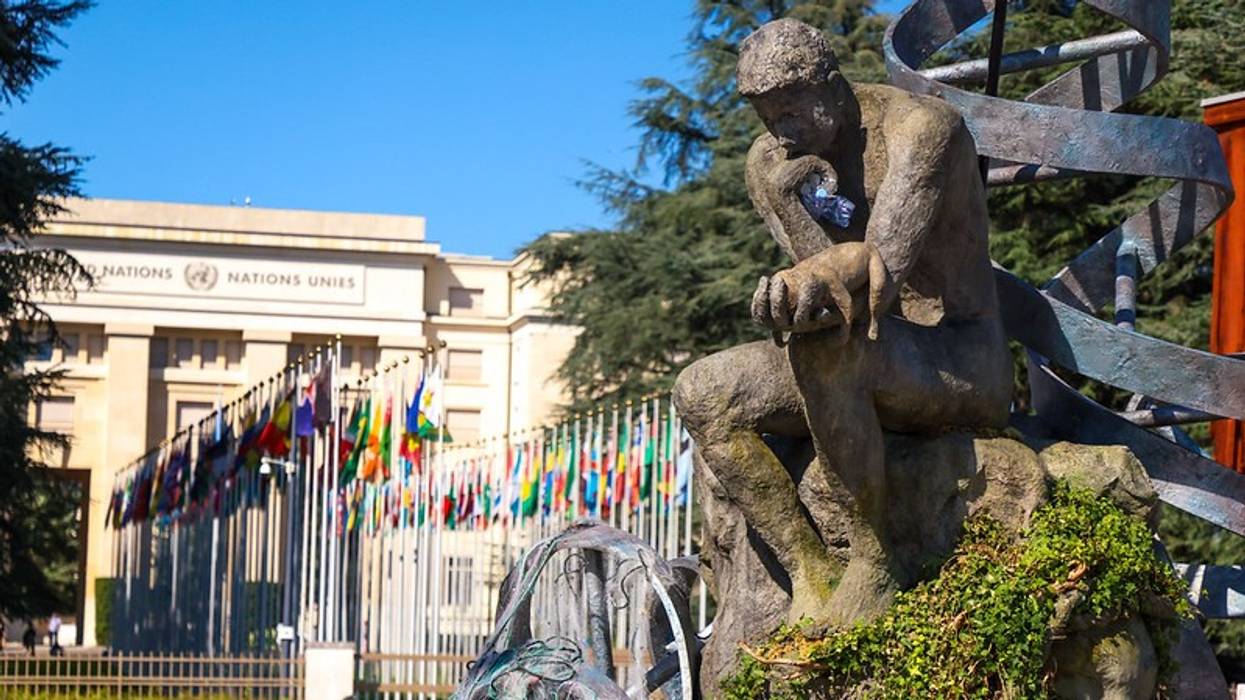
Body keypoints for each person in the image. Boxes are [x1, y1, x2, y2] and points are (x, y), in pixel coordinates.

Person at [673, 18, 1012, 626]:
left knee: (831, 353)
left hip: (957, 357)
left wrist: (819, 284)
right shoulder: (773, 162)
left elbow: (878, 279)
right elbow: (820, 293)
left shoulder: (921, 130)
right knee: (704, 393)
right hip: (869, 352)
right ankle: (809, 572)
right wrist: (781, 286)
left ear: (831, 85)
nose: (782, 129)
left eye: (792, 108)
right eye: (766, 115)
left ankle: (874, 561)